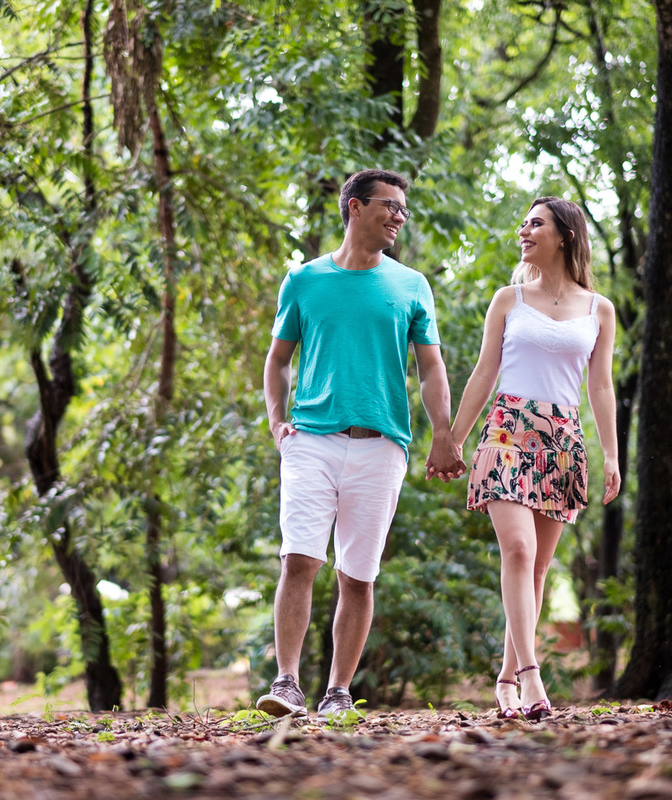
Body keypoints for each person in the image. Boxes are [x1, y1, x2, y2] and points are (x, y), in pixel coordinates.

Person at [258, 169, 466, 718]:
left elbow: (430, 368)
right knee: (299, 560)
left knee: (358, 575)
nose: (399, 216)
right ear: (354, 207)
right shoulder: (303, 280)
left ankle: (337, 692)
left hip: (382, 446)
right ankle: (285, 683)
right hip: (312, 440)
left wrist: (442, 432)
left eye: (403, 208)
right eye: (389, 205)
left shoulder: (411, 285)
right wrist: (278, 421)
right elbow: (278, 359)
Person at [449, 196, 620, 721]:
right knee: (519, 552)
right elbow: (484, 373)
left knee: (541, 566)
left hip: (562, 440)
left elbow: (600, 384)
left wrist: (611, 454)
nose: (523, 230)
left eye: (535, 223)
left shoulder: (599, 308)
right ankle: (531, 677)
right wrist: (453, 439)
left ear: (565, 235)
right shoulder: (508, 299)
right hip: (507, 432)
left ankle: (505, 681)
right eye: (524, 223)